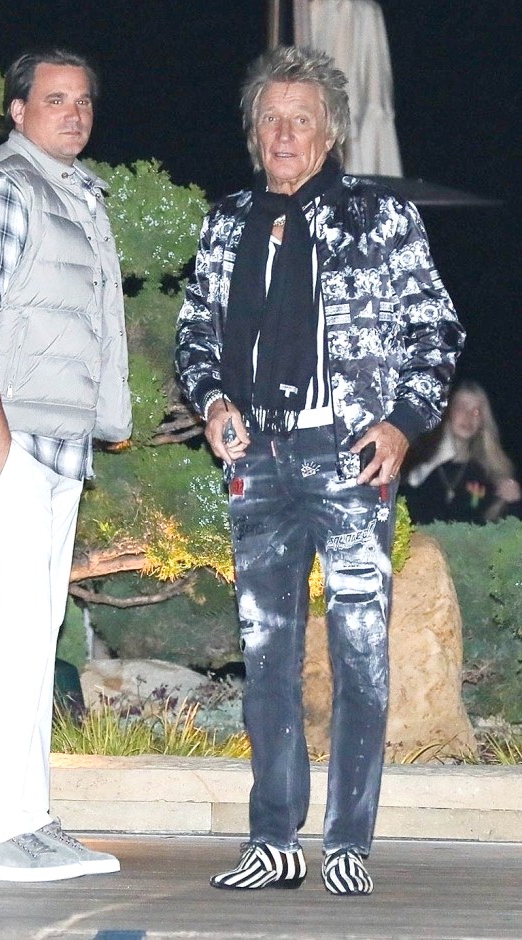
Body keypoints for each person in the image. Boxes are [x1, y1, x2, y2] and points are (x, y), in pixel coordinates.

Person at [175, 45, 464, 895]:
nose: (284, 134)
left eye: (301, 120)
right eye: (271, 119)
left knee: (360, 650)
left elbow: (436, 329)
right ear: (253, 132)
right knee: (266, 653)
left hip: (349, 455)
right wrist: (213, 403)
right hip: (255, 457)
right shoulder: (227, 222)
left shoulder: (379, 218)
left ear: (330, 132)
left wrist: (403, 424)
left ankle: (347, 843)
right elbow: (196, 333)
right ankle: (273, 840)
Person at [0, 48, 131, 882]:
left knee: (35, 632)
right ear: (17, 110)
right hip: (5, 444)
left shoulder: (74, 193)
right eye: (54, 100)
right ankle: (2, 835)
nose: (74, 114)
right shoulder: (2, 188)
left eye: (83, 101)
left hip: (54, 447)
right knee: (13, 630)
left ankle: (30, 819)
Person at [402, 381, 521, 524]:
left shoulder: (487, 473)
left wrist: (513, 500)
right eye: (461, 407)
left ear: (482, 422)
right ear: (448, 411)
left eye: (476, 411)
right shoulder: (419, 456)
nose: (468, 416)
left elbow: (499, 524)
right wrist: (435, 460)